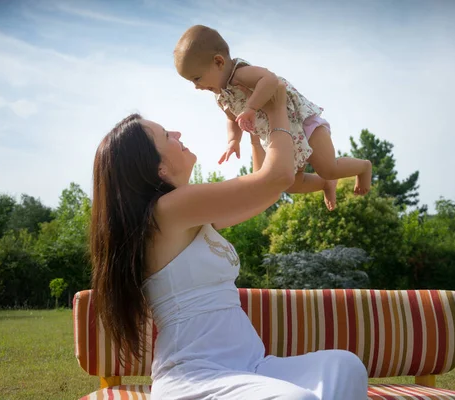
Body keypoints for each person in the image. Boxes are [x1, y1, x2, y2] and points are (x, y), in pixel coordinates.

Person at [90, 83, 368, 399]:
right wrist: (276, 106)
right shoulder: (168, 210)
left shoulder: (187, 215)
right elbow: (275, 179)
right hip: (196, 377)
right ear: (159, 167)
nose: (178, 134)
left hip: (250, 366)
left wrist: (252, 130)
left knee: (344, 367)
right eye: (167, 135)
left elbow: (265, 189)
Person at [173, 24, 373, 211]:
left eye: (197, 78)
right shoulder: (221, 96)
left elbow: (270, 79)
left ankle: (363, 167)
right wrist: (233, 140)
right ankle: (324, 184)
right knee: (290, 183)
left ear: (218, 62)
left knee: (329, 167)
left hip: (301, 123)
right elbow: (231, 119)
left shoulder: (239, 73)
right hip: (281, 135)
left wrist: (251, 107)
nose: (196, 86)